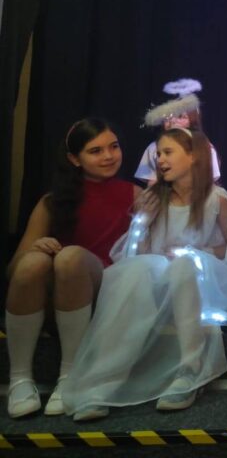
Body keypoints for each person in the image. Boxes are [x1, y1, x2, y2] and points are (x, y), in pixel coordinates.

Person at [61, 129, 227, 421]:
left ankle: (190, 369)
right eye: (158, 154)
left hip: (207, 280)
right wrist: (145, 221)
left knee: (184, 264)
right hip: (165, 278)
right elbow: (138, 252)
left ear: (193, 156)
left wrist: (192, 251)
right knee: (136, 270)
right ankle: (105, 379)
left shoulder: (217, 199)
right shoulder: (154, 199)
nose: (160, 160)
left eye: (168, 152)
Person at [5, 119, 138, 418]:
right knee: (34, 261)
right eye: (96, 151)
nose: (108, 156)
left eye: (114, 147)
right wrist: (37, 247)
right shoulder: (52, 202)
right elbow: (14, 272)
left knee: (71, 257)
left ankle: (70, 376)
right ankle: (20, 379)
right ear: (74, 159)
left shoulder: (135, 195)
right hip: (54, 302)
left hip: (105, 297)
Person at [136, 83, 222, 186]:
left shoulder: (204, 147)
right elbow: (152, 182)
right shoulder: (154, 148)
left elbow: (209, 182)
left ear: (192, 121)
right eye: (168, 116)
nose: (173, 121)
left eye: (180, 117)